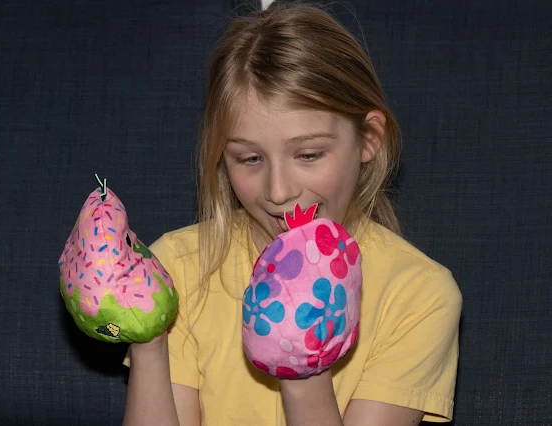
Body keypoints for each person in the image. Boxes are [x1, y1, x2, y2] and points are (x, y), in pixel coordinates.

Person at [122, 2, 462, 425]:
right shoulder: (180, 268)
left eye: (309, 154)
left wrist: (301, 361)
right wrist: (148, 339)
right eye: (249, 159)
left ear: (369, 139)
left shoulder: (418, 296)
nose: (279, 192)